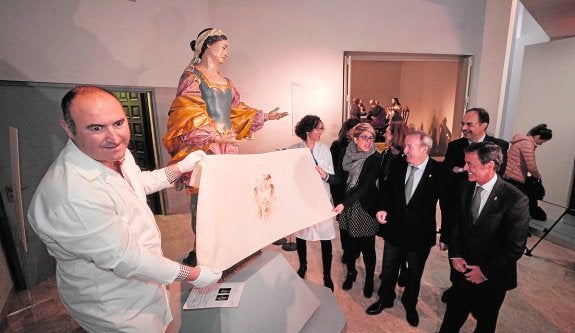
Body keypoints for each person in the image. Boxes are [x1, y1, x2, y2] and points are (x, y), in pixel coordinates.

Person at [27, 86, 222, 333]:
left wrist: (180, 167)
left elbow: (137, 183)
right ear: (68, 129)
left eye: (118, 123)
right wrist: (192, 274)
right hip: (114, 303)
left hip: (143, 283)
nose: (114, 137)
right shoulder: (72, 193)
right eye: (96, 128)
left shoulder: (114, 153)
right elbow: (129, 260)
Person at [162, 28, 287, 266]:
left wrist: (266, 117)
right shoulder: (193, 77)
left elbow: (236, 111)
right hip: (206, 150)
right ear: (208, 46)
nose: (227, 52)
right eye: (224, 46)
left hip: (227, 150)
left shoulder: (227, 82)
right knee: (204, 202)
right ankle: (204, 251)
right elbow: (185, 114)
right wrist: (214, 137)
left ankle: (228, 246)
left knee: (229, 199)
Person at [438, 142, 530, 333]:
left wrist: (485, 272)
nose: (466, 168)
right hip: (462, 272)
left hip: (492, 279)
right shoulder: (465, 187)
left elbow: (515, 247)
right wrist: (454, 255)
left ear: (489, 165)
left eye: (470, 164)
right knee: (450, 322)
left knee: (485, 325)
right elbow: (456, 226)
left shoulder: (515, 199)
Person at [366, 132, 449, 328]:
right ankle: (386, 298)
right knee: (388, 270)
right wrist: (382, 208)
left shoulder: (438, 172)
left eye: (409, 147)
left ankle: (409, 304)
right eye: (405, 146)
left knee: (414, 275)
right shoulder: (398, 164)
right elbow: (386, 191)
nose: (404, 150)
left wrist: (446, 234)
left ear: (424, 149)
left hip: (420, 235)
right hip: (394, 230)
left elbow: (448, 206)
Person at [441, 107, 509, 303]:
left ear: (484, 125)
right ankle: (456, 287)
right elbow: (447, 179)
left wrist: (461, 170)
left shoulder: (500, 146)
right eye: (463, 123)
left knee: (482, 255)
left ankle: (478, 292)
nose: (463, 128)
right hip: (459, 212)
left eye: (469, 124)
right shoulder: (455, 146)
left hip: (486, 213)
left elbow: (497, 177)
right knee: (457, 254)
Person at [327, 123, 381, 298]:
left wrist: (343, 204)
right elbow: (340, 179)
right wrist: (326, 176)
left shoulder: (375, 158)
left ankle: (369, 281)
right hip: (347, 207)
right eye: (364, 137)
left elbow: (365, 187)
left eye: (371, 137)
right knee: (348, 246)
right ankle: (351, 273)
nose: (368, 141)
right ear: (354, 138)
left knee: (367, 248)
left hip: (364, 207)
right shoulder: (345, 153)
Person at [289, 115, 337, 291]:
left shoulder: (325, 150)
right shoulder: (294, 150)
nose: (321, 131)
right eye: (318, 128)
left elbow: (331, 176)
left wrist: (323, 174)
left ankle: (327, 275)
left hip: (322, 200)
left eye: (322, 128)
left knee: (326, 239)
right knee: (301, 237)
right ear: (308, 130)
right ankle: (302, 267)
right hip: (303, 201)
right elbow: (290, 175)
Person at [377, 120, 410, 287]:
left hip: (399, 210)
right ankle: (394, 270)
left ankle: (402, 269)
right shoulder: (386, 153)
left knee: (399, 242)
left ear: (396, 135)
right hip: (386, 206)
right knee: (391, 242)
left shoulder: (407, 159)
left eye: (388, 132)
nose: (384, 134)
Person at [504, 124, 553, 220]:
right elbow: (531, 165)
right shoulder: (527, 144)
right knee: (522, 201)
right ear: (538, 136)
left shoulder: (523, 141)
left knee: (514, 201)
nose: (541, 144)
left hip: (510, 174)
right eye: (542, 141)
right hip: (514, 176)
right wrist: (538, 176)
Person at [329, 118, 361, 263]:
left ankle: (355, 250)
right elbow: (334, 170)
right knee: (344, 225)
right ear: (348, 131)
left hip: (357, 193)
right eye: (356, 128)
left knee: (356, 224)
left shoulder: (363, 145)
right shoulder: (337, 146)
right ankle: (347, 251)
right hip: (341, 190)